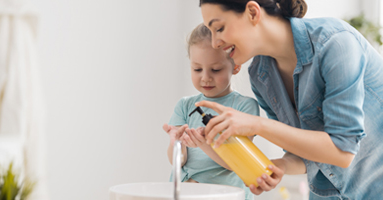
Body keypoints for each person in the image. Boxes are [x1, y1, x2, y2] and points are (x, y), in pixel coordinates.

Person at [195, 0, 383, 199]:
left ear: (252, 12)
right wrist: (280, 165)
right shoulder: (260, 75)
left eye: (219, 28)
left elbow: (342, 150)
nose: (215, 43)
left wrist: (257, 125)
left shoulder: (335, 43)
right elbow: (303, 153)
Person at [163, 23, 259, 200]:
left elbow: (237, 163)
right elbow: (179, 161)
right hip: (184, 193)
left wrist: (203, 143)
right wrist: (176, 144)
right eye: (197, 69)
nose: (205, 77)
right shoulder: (184, 106)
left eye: (215, 69)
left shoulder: (244, 107)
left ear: (236, 66)